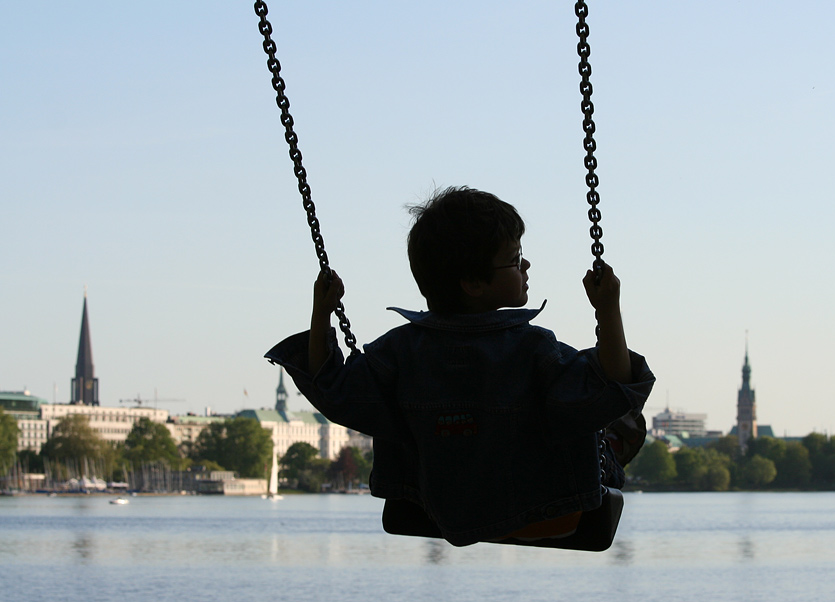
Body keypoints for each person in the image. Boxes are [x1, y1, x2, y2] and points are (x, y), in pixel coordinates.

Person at [266, 186, 654, 546]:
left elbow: (332, 388)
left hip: (426, 511)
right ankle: (611, 447)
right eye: (515, 259)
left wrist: (322, 312)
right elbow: (613, 384)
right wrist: (608, 308)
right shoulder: (536, 349)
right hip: (549, 512)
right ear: (473, 282)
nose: (526, 265)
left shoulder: (400, 351)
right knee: (592, 411)